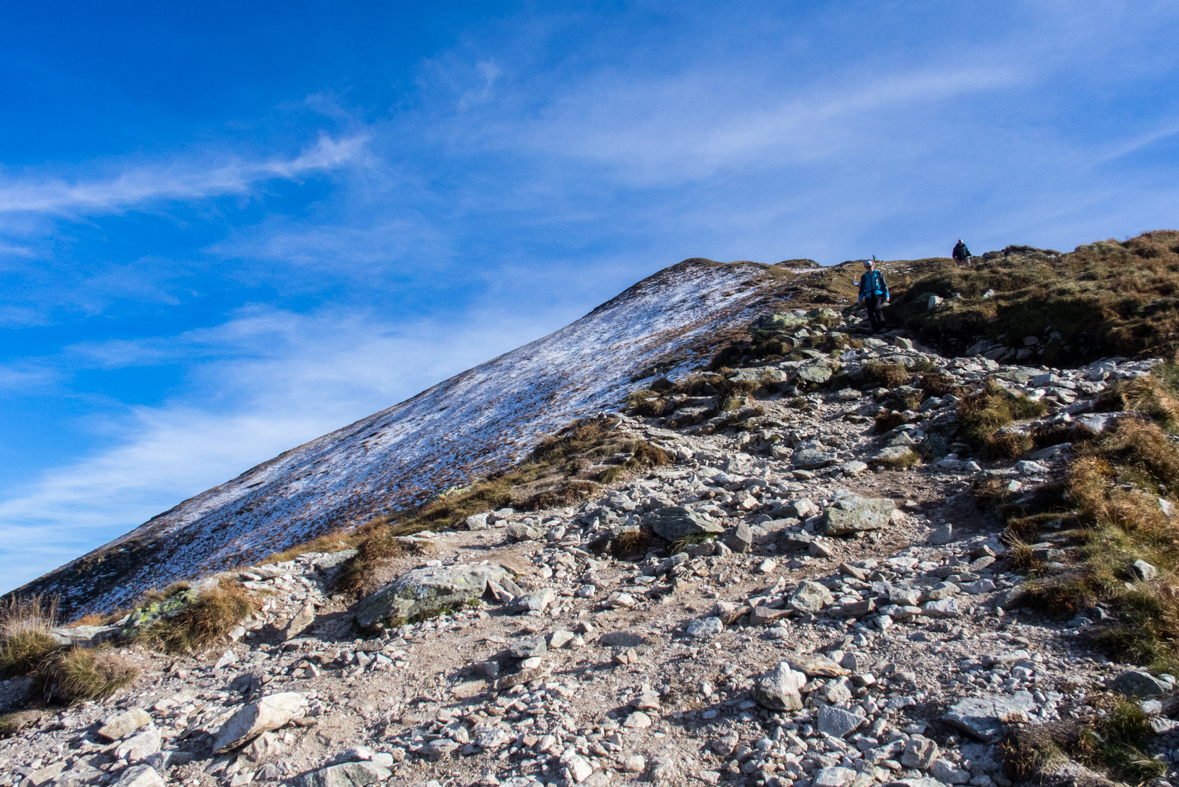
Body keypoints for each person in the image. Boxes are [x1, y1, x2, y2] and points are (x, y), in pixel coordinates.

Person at [858, 257, 890, 334]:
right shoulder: (864, 276)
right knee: (870, 312)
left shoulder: (878, 274)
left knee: (877, 308)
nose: (868, 268)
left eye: (870, 266)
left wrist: (887, 295)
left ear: (873, 265)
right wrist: (860, 299)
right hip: (869, 295)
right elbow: (862, 289)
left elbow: (884, 285)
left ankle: (883, 326)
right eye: (867, 267)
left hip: (878, 294)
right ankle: (875, 329)